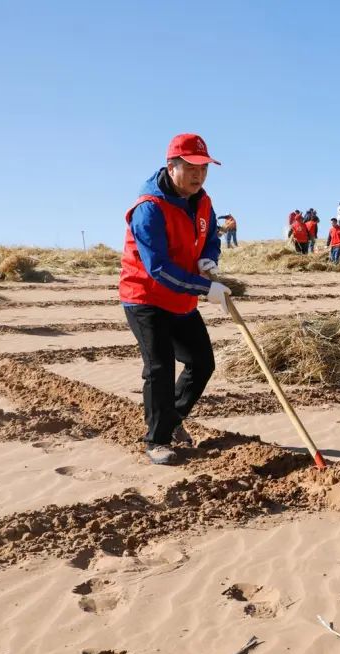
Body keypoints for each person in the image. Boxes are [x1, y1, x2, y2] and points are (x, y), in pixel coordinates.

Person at [119, 133, 231, 466]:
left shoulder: (203, 201)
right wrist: (203, 288)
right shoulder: (148, 210)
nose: (200, 175)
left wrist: (208, 259)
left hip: (180, 298)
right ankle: (157, 440)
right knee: (159, 367)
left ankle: (173, 417)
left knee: (202, 362)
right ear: (172, 167)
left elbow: (210, 234)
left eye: (204, 168)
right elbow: (158, 269)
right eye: (192, 167)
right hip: (145, 297)